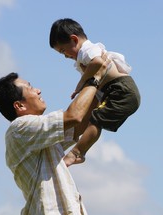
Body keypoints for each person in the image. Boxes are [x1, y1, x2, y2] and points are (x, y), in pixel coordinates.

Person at [0, 59, 108, 215]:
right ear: (19, 105)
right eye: (30, 87)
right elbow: (74, 116)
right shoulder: (20, 128)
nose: (38, 90)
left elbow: (77, 127)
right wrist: (93, 79)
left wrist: (100, 89)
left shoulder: (37, 135)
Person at [49, 18, 141, 165]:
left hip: (122, 91)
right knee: (87, 116)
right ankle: (63, 143)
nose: (65, 56)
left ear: (74, 39)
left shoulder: (87, 50)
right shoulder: (83, 56)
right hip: (110, 91)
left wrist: (80, 84)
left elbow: (98, 62)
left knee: (96, 120)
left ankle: (77, 153)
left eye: (63, 51)